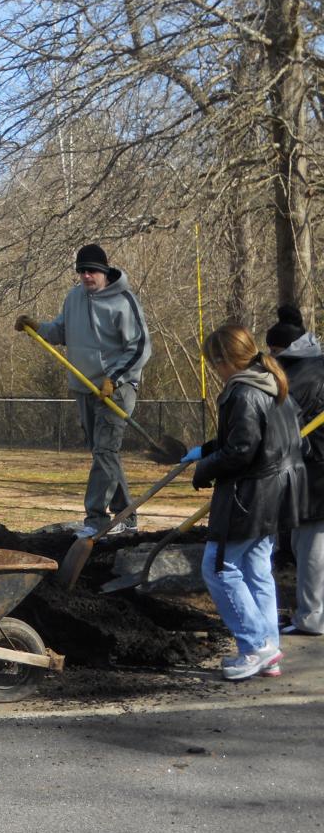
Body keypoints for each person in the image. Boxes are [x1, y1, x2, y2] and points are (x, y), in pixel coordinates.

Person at [182, 324, 307, 680]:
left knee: (219, 567)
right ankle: (269, 649)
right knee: (256, 569)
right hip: (277, 493)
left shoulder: (243, 393)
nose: (213, 369)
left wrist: (203, 469)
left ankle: (256, 647)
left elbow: (241, 450)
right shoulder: (271, 383)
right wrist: (205, 450)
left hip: (251, 496)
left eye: (213, 363)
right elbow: (254, 437)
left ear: (225, 361)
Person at [15, 243, 151, 539]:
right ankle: (127, 516)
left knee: (105, 450)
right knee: (104, 454)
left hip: (117, 389)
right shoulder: (74, 298)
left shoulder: (124, 301)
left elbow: (140, 347)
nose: (87, 276)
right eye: (82, 271)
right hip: (84, 387)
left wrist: (113, 378)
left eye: (92, 271)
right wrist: (37, 328)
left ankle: (96, 519)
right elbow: (62, 332)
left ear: (104, 272)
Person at [266, 305, 324, 636]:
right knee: (310, 542)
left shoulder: (300, 376)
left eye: (272, 351)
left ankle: (313, 617)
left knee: (311, 545)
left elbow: (277, 427)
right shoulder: (313, 364)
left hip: (316, 471)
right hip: (312, 467)